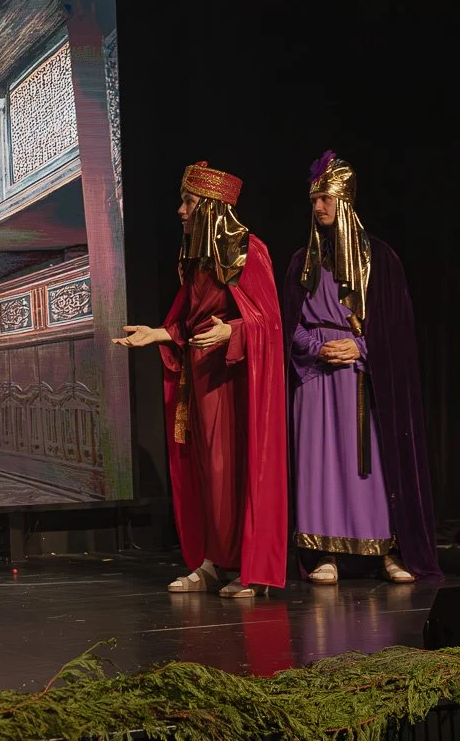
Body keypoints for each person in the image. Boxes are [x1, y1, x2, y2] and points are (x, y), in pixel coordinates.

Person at [114, 161, 287, 597]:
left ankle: (250, 568)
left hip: (237, 380)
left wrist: (234, 331)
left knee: (237, 468)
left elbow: (270, 323)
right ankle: (213, 561)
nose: (180, 210)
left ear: (210, 207)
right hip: (202, 379)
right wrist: (158, 334)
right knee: (208, 472)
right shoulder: (196, 260)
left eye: (188, 202)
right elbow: (188, 322)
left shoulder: (249, 251)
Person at [283, 151, 440, 585]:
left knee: (370, 464)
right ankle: (325, 552)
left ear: (346, 201)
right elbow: (289, 325)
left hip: (362, 375)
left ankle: (386, 549)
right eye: (314, 200)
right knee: (319, 464)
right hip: (316, 377)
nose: (318, 207)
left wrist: (360, 346)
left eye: (326, 199)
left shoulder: (381, 259)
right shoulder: (301, 262)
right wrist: (317, 347)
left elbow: (398, 329)